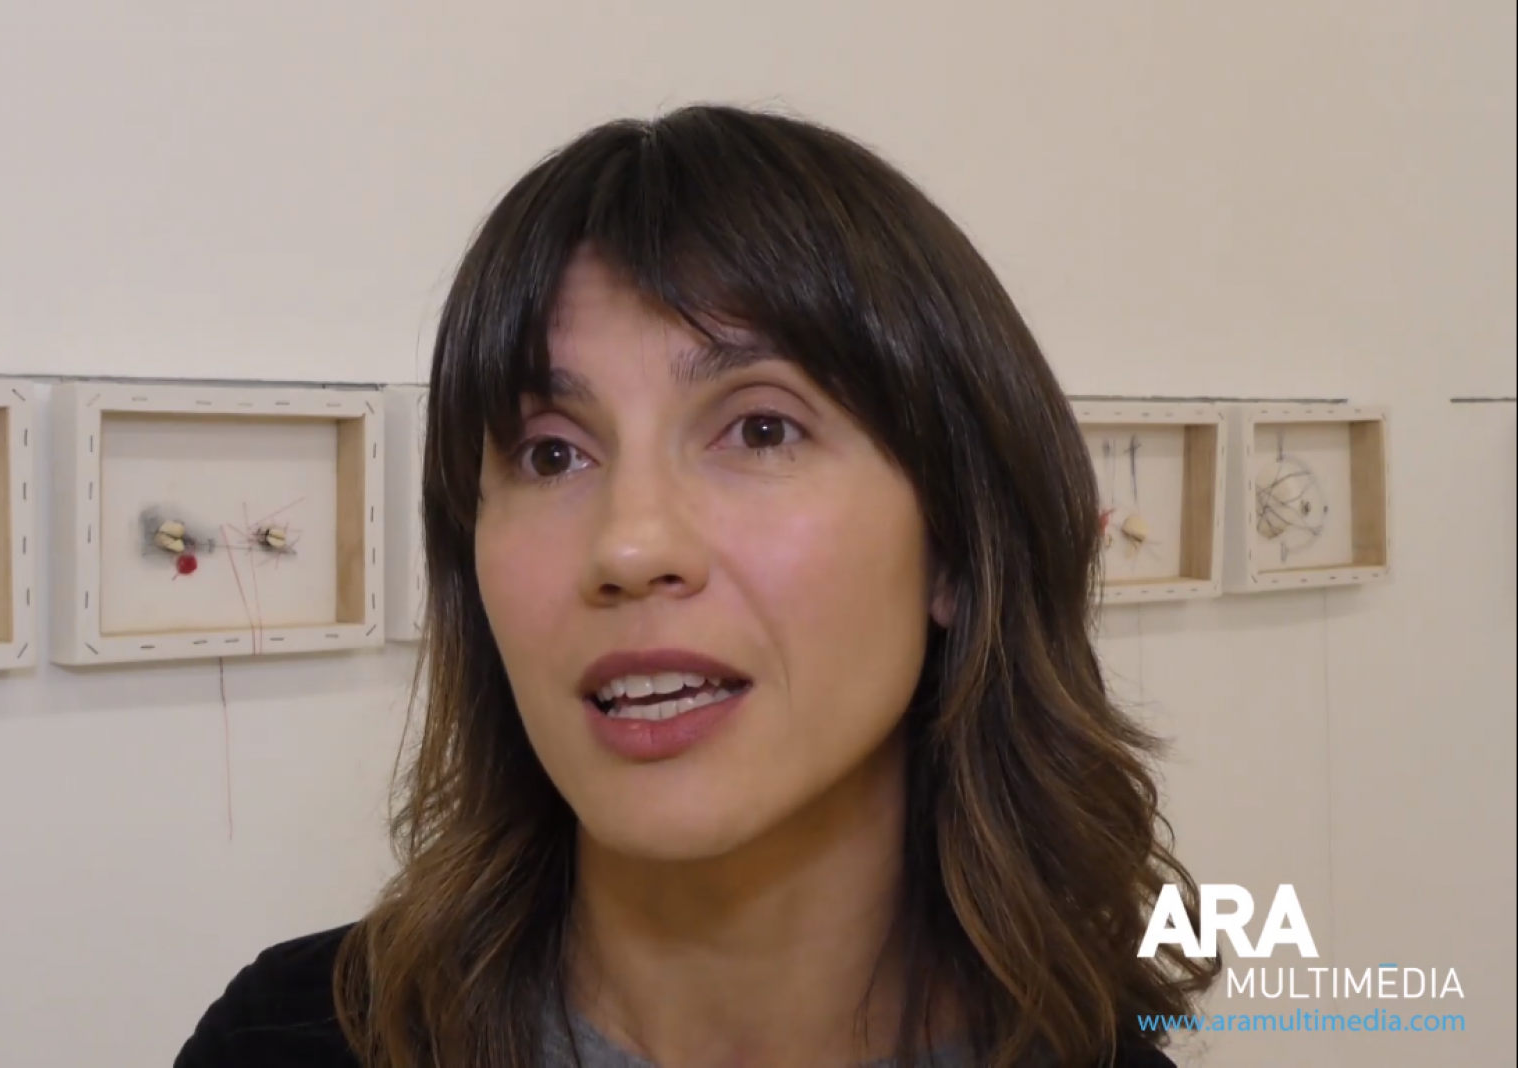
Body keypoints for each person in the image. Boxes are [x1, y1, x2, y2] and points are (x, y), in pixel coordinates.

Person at [174, 104, 1218, 1067]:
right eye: (550, 454)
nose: (630, 548)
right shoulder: (286, 1044)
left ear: (954, 543)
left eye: (760, 430)